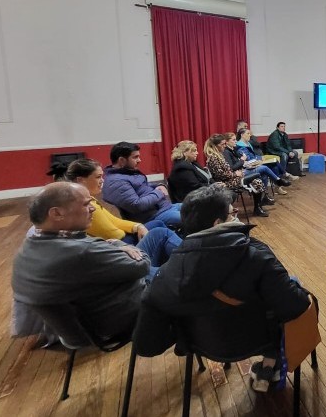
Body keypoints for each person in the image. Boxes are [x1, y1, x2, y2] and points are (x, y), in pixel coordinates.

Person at [134, 185, 310, 392]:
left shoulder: (165, 275)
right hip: (260, 339)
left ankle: (269, 365)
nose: (237, 215)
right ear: (218, 223)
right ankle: (272, 362)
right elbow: (295, 307)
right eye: (232, 212)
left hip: (200, 345)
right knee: (293, 286)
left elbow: (147, 345)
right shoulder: (256, 256)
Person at [12, 182, 149, 340]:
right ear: (56, 213)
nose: (92, 208)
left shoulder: (27, 248)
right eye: (86, 204)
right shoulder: (83, 251)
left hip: (77, 329)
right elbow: (142, 265)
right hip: (119, 322)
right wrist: (117, 244)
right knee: (169, 261)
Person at [58, 160, 181, 272]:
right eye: (98, 177)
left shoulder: (90, 200)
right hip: (119, 245)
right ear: (80, 180)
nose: (102, 181)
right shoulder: (79, 206)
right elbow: (112, 233)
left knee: (158, 226)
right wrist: (157, 194)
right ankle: (181, 262)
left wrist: (137, 226)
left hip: (119, 242)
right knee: (161, 232)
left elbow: (114, 221)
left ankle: (172, 264)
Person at [102, 141, 182, 226]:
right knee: (194, 218)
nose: (139, 160)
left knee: (195, 205)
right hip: (154, 217)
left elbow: (144, 187)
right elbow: (137, 205)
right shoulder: (117, 181)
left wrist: (159, 185)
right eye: (135, 157)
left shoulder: (127, 173)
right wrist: (158, 192)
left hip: (164, 208)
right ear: (121, 160)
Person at [204, 134, 271, 217]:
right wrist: (235, 174)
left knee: (257, 180)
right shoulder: (213, 158)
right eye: (223, 144)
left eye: (225, 144)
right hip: (225, 182)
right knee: (257, 179)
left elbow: (228, 169)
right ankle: (259, 206)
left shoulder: (219, 155)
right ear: (216, 146)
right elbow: (221, 175)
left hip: (231, 179)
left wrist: (238, 172)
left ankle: (258, 207)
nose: (224, 146)